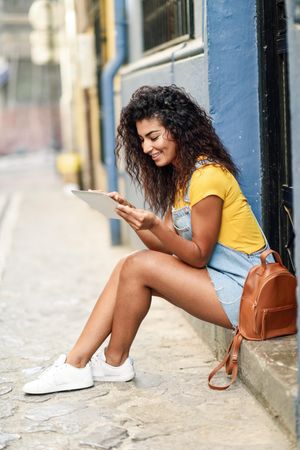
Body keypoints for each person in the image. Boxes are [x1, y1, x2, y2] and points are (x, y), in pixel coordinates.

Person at [23, 85, 268, 395]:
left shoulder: (207, 176)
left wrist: (155, 224)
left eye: (154, 137)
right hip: (222, 283)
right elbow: (162, 248)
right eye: (141, 140)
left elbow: (197, 256)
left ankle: (83, 365)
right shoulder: (184, 178)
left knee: (137, 266)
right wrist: (132, 216)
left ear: (178, 129)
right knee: (131, 266)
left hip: (247, 292)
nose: (147, 147)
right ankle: (104, 363)